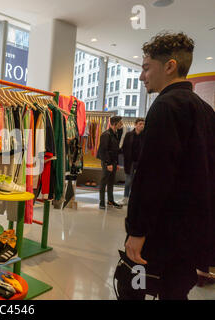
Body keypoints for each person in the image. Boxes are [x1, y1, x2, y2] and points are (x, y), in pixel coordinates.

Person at [124, 32, 215, 299]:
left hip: (164, 232)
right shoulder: (205, 110)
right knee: (176, 292)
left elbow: (154, 175)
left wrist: (137, 230)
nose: (142, 76)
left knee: (140, 287)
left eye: (146, 67)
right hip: (192, 233)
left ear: (169, 66)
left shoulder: (166, 106)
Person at [97, 116, 124, 210]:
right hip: (107, 161)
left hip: (113, 161)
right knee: (104, 182)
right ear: (114, 124)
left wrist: (116, 163)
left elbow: (115, 150)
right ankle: (101, 202)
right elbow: (103, 150)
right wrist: (108, 163)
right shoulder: (106, 134)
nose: (122, 124)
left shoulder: (115, 133)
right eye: (120, 123)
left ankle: (110, 200)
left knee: (111, 182)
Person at [121, 118, 145, 205]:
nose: (142, 126)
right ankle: (126, 198)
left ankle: (135, 199)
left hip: (140, 162)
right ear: (135, 125)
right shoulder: (129, 135)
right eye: (140, 124)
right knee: (128, 181)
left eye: (143, 124)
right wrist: (126, 157)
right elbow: (124, 147)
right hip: (130, 162)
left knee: (138, 181)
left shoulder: (145, 136)